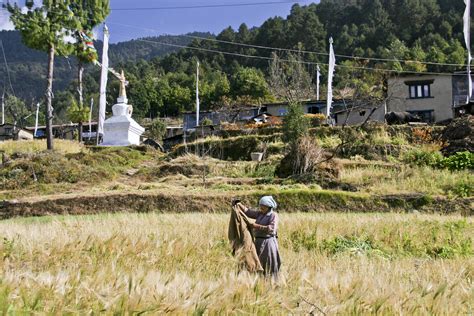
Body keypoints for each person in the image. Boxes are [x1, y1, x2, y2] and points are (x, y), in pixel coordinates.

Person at [233, 196, 281, 277]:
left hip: (268, 243)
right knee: (258, 261)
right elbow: (248, 212)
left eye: (263, 206)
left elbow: (272, 229)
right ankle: (260, 279)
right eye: (260, 206)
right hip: (258, 242)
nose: (261, 208)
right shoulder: (260, 214)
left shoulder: (273, 215)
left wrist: (256, 226)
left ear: (269, 207)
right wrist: (239, 204)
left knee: (268, 262)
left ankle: (270, 279)